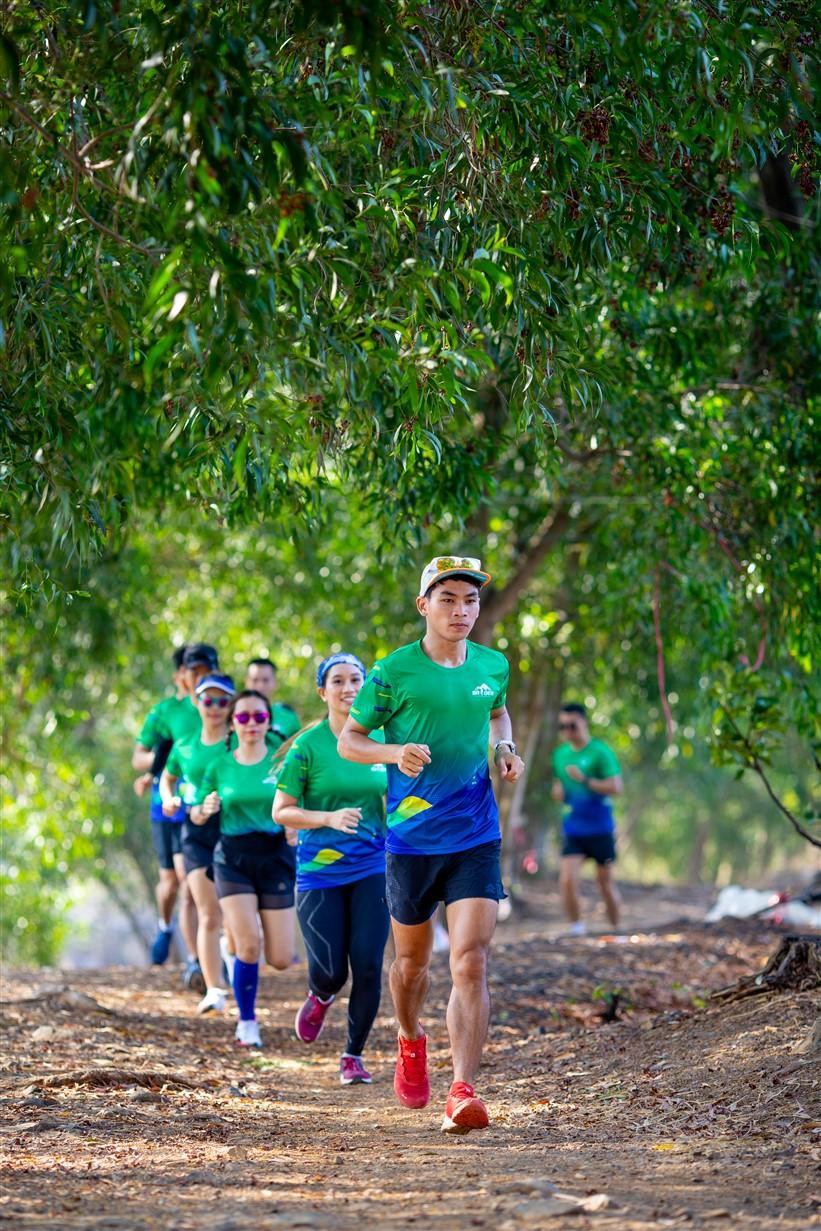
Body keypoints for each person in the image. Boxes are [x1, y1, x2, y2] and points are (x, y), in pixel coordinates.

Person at [338, 554, 524, 1134]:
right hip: (412, 840)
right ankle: (410, 1036)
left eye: (470, 600)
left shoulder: (493, 664)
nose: (461, 610)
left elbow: (497, 715)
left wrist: (504, 751)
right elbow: (350, 740)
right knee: (412, 966)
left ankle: (463, 1090)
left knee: (471, 960)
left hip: (475, 833)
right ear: (424, 606)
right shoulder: (393, 672)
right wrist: (396, 753)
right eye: (447, 599)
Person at [273, 653, 389, 1086]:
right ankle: (320, 994)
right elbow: (282, 810)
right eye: (337, 681)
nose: (349, 687)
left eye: (356, 679)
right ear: (323, 692)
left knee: (369, 964)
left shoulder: (380, 740)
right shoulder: (307, 747)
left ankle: (353, 1055)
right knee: (332, 971)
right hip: (320, 872)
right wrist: (326, 818)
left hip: (373, 867)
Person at [198, 689, 297, 1047]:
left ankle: (234, 947)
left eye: (258, 717)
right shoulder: (219, 765)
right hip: (233, 858)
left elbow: (302, 798)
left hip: (274, 856)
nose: (251, 723)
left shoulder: (282, 761)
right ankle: (248, 1022)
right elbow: (196, 812)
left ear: (268, 721)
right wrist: (205, 807)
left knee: (282, 958)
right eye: (243, 717)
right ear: (232, 723)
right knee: (250, 946)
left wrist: (295, 825)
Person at [160, 673, 236, 1014]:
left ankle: (234, 968)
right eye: (208, 700)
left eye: (222, 701)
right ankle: (214, 989)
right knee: (208, 912)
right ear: (197, 702)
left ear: (230, 705)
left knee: (233, 915)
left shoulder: (239, 742)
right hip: (194, 831)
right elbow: (168, 777)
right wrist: (168, 799)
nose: (215, 707)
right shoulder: (185, 743)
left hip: (234, 829)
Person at [132, 645, 197, 969]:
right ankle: (165, 926)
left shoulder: (217, 705)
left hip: (201, 806)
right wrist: (159, 764)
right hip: (166, 806)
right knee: (171, 881)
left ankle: (200, 957)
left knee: (192, 878)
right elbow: (139, 756)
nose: (199, 677)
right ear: (179, 675)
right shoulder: (163, 712)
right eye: (192, 670)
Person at [551, 703, 624, 935]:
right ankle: (576, 928)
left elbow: (616, 787)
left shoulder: (600, 752)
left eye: (572, 725)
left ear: (584, 723)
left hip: (600, 827)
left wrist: (585, 780)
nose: (567, 731)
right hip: (574, 828)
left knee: (604, 883)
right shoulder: (560, 755)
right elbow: (558, 786)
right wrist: (558, 793)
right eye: (563, 726)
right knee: (567, 880)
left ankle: (616, 929)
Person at [245, 658, 300, 745]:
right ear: (246, 682)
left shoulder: (288, 716)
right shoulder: (234, 716)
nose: (260, 686)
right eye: (255, 680)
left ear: (275, 683)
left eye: (265, 680)